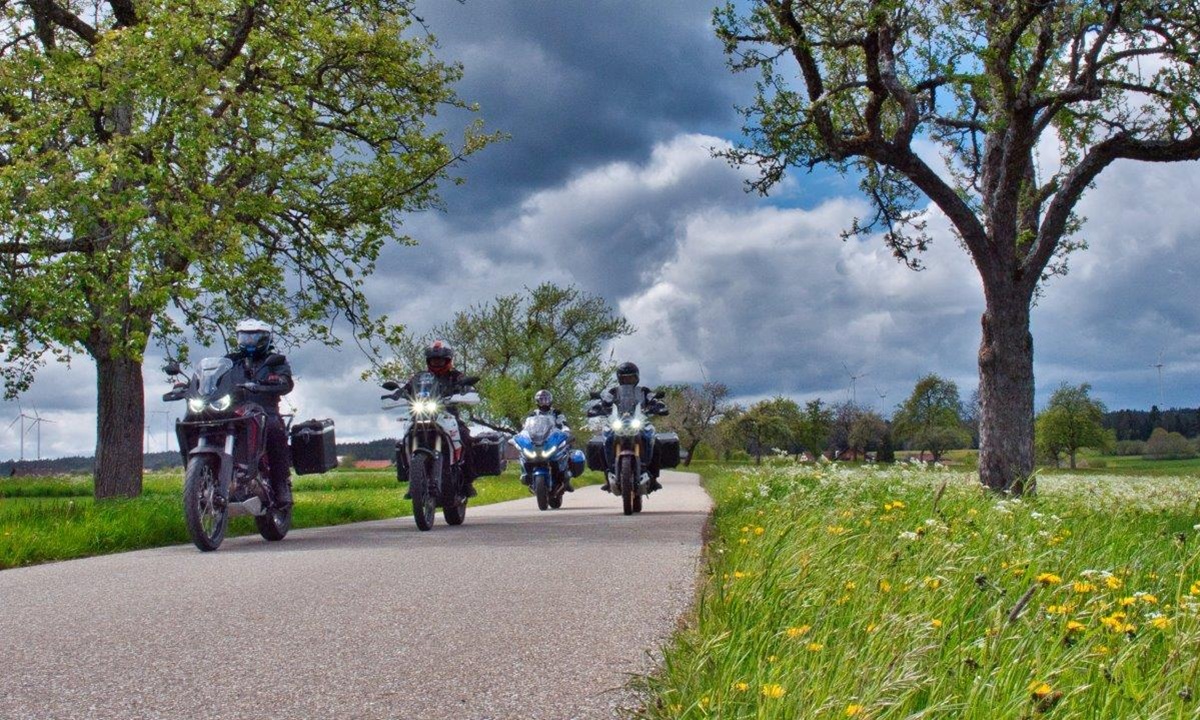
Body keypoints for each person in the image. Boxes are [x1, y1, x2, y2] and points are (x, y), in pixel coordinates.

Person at [226, 319, 294, 509]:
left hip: (265, 410)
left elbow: (286, 383)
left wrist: (276, 380)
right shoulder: (231, 361)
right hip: (235, 411)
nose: (249, 341)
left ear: (264, 338)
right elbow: (215, 376)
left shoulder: (275, 361)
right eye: (245, 337)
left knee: (274, 430)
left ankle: (281, 484)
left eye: (254, 337)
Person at [398, 340, 479, 497]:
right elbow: (407, 388)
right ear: (428, 361)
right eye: (434, 360)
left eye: (440, 360)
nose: (437, 363)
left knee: (465, 437)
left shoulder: (455, 376)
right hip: (420, 415)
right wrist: (397, 393)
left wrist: (467, 389)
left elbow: (467, 386)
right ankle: (412, 481)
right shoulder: (420, 377)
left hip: (447, 416)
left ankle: (468, 482)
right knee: (403, 442)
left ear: (448, 360)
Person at [594, 361, 668, 492]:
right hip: (618, 421)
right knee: (602, 443)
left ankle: (654, 478)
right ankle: (607, 477)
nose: (627, 380)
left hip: (640, 421)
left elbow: (653, 399)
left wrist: (659, 406)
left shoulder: (644, 391)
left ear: (636, 378)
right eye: (624, 377)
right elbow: (604, 401)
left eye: (631, 377)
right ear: (619, 378)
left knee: (655, 442)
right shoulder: (613, 392)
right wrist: (597, 408)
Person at [524, 389, 575, 492]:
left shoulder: (556, 412)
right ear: (537, 401)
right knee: (525, 454)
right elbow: (526, 426)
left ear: (550, 400)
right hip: (539, 439)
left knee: (566, 449)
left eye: (546, 399)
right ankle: (528, 477)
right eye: (541, 400)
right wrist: (523, 433)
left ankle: (567, 479)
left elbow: (563, 423)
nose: (544, 402)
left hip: (553, 438)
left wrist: (566, 430)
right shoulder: (533, 414)